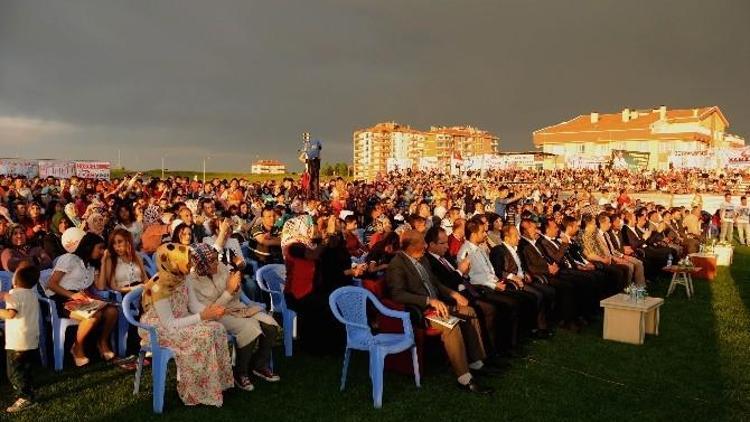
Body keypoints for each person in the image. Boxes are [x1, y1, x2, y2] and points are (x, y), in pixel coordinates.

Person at [385, 230, 493, 394]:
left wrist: (453, 294)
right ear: (411, 246)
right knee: (451, 325)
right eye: (422, 242)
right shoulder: (397, 264)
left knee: (469, 312)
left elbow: (435, 283)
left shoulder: (422, 259)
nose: (426, 245)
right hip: (421, 311)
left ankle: (475, 363)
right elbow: (397, 294)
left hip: (438, 305)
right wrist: (428, 301)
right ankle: (464, 379)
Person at [140, 243, 234, 406]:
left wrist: (210, 311)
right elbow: (169, 323)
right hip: (160, 329)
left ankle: (215, 384)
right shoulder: (158, 286)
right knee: (204, 335)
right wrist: (202, 316)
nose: (191, 265)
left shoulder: (183, 277)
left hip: (181, 320)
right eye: (187, 261)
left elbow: (193, 305)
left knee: (217, 328)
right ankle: (196, 391)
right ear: (174, 261)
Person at [186, 244, 280, 391]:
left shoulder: (222, 268)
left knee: (271, 324)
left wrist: (236, 287)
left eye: (215, 258)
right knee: (250, 328)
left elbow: (236, 296)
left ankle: (259, 365)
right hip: (217, 317)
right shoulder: (192, 281)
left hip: (237, 308)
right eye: (211, 261)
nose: (216, 262)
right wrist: (229, 291)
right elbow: (210, 311)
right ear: (201, 264)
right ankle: (239, 372)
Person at [47, 228, 119, 366]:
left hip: (81, 298)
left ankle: (102, 342)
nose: (102, 251)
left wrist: (103, 263)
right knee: (94, 316)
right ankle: (77, 348)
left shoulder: (92, 265)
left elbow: (100, 287)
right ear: (89, 246)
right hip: (63, 299)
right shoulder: (69, 259)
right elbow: (51, 284)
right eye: (100, 248)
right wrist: (72, 295)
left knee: (112, 312)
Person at [0, 263, 41, 413]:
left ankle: (25, 398)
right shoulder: (32, 294)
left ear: (16, 280)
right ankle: (30, 391)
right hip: (31, 339)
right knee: (26, 369)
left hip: (17, 341)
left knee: (14, 373)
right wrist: (6, 296)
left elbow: (11, 314)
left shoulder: (15, 294)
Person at [100, 228, 148, 293]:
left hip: (143, 290)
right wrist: (132, 289)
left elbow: (145, 278)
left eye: (120, 241)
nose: (117, 246)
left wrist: (147, 287)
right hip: (125, 294)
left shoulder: (136, 256)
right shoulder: (111, 259)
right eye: (114, 243)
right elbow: (113, 287)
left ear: (127, 241)